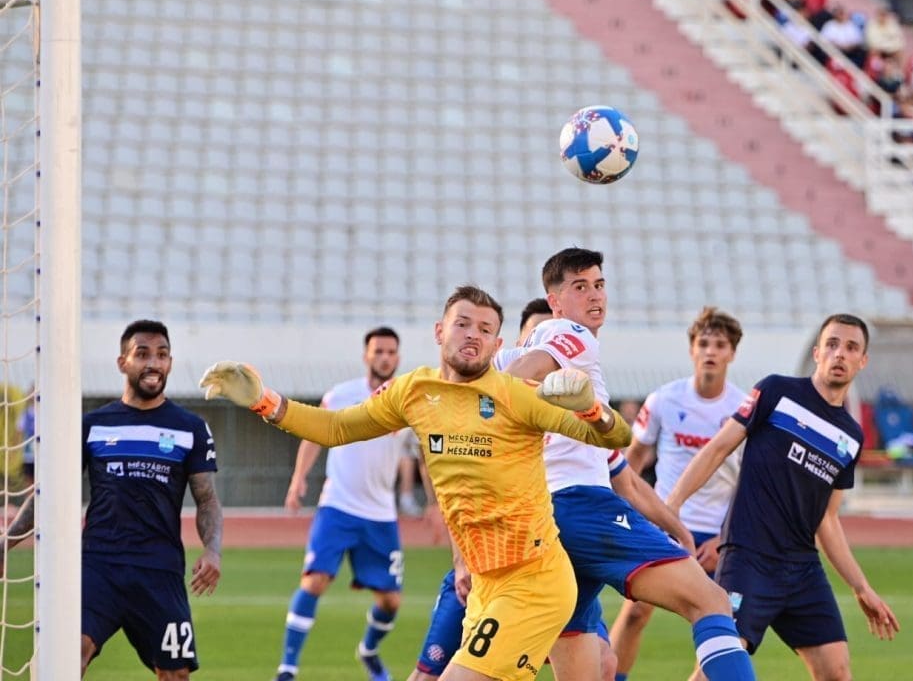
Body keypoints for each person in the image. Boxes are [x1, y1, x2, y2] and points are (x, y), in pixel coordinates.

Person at [200, 286, 632, 681]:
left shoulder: (517, 395)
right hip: (484, 585)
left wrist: (593, 410)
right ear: (439, 331)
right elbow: (334, 428)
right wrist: (263, 400)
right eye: (462, 324)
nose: (472, 335)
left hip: (534, 580)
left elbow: (616, 436)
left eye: (485, 329)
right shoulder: (414, 391)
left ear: (499, 345)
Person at [499, 248, 756, 681]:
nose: (596, 295)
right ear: (554, 300)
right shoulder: (574, 335)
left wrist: (673, 524)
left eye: (599, 285)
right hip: (582, 507)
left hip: (542, 519)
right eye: (580, 287)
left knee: (593, 664)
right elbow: (514, 380)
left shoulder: (510, 352)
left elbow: (626, 476)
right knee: (709, 602)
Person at [667, 314, 899, 681]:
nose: (841, 353)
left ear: (862, 360)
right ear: (818, 352)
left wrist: (861, 587)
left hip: (802, 568)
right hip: (749, 558)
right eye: (833, 344)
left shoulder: (851, 437)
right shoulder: (777, 392)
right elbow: (718, 448)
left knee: (837, 672)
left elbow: (828, 519)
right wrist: (672, 504)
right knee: (717, 670)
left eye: (851, 347)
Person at [0, 320, 223, 679]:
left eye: (162, 355)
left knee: (176, 673)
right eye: (142, 354)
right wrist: (6, 542)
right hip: (98, 565)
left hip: (159, 570)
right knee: (68, 657)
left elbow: (207, 499)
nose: (153, 363)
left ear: (170, 362)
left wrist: (213, 549)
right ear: (123, 363)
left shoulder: (190, 428)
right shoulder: (92, 425)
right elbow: (48, 493)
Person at [405, 298, 553, 681]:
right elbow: (462, 498)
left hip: (541, 576)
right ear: (514, 344)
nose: (544, 352)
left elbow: (623, 473)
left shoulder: (564, 419)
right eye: (537, 339)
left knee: (596, 662)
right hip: (479, 571)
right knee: (427, 674)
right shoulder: (478, 410)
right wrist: (460, 561)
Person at [608, 307, 747, 681]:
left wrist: (726, 539)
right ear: (691, 350)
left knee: (725, 624)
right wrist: (619, 512)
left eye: (720, 344)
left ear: (732, 353)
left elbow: (749, 485)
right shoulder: (664, 400)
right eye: (703, 343)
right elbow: (632, 462)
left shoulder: (743, 409)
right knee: (636, 611)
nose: (711, 352)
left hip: (721, 536)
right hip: (667, 525)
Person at [274, 326, 408, 681]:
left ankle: (369, 650)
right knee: (315, 580)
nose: (384, 357)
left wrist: (435, 504)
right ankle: (287, 669)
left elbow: (421, 456)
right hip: (338, 506)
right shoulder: (341, 395)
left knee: (391, 602)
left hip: (381, 514)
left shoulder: (407, 401)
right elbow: (314, 433)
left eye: (391, 352)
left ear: (398, 357)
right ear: (366, 355)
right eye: (378, 351)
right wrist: (298, 479)